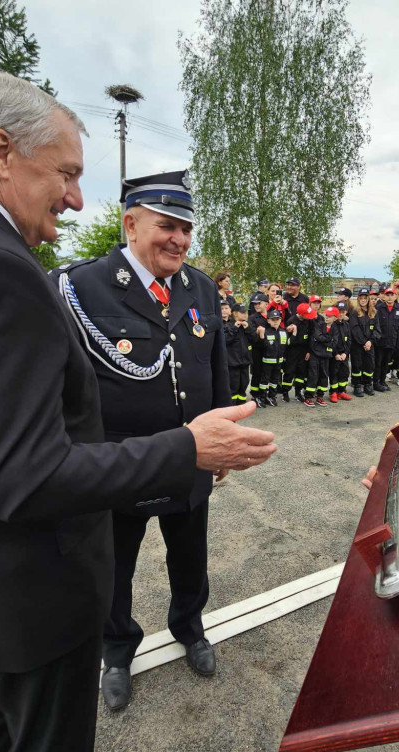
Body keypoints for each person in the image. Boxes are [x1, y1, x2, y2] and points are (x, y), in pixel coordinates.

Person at [0, 73, 276, 752]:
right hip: (25, 598)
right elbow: (22, 478)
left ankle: (188, 622)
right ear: (0, 151)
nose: (76, 196)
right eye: (65, 173)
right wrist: (187, 447)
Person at [50, 167, 265, 714]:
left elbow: (214, 373)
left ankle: (189, 627)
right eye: (168, 226)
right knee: (113, 567)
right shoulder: (80, 287)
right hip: (118, 466)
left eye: (187, 229)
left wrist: (223, 440)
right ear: (130, 224)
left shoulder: (200, 288)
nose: (180, 239)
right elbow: (64, 390)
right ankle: (117, 649)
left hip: (191, 462)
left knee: (190, 556)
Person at [305, 306, 339, 407]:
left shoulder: (335, 329)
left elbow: (334, 343)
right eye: (326, 315)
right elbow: (318, 337)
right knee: (313, 375)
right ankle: (308, 397)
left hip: (326, 356)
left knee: (324, 376)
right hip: (315, 355)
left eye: (330, 316)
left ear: (335, 318)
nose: (327, 317)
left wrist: (324, 340)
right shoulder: (319, 325)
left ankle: (320, 396)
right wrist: (329, 339)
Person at [375, 286, 399, 389]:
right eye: (387, 295)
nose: (389, 297)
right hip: (380, 342)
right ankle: (376, 382)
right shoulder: (379, 308)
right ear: (384, 297)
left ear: (395, 297)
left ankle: (382, 381)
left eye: (391, 295)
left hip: (392, 342)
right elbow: (376, 325)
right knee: (378, 362)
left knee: (386, 363)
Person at [348, 288, 379, 397]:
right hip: (357, 345)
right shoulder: (354, 313)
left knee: (369, 365)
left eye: (365, 298)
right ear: (358, 299)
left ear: (368, 299)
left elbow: (377, 330)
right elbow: (355, 330)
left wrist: (370, 341)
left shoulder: (374, 313)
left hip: (370, 345)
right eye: (361, 298)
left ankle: (367, 384)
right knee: (357, 365)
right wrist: (364, 342)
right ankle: (357, 385)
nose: (363, 300)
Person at [257, 308, 288, 406]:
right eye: (273, 319)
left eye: (277, 319)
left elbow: (285, 346)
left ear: (280, 320)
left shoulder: (283, 332)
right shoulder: (266, 331)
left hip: (278, 362)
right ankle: (262, 397)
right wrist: (261, 336)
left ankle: (271, 396)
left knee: (275, 381)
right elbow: (262, 346)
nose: (275, 321)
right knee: (264, 381)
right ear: (268, 320)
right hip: (267, 362)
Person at [224, 305, 253, 403]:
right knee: (233, 385)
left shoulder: (248, 325)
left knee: (244, 384)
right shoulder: (228, 326)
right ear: (235, 313)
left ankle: (241, 403)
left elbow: (255, 340)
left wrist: (248, 329)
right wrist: (234, 328)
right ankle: (231, 405)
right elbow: (225, 341)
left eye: (246, 312)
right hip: (233, 363)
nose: (245, 314)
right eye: (243, 312)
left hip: (245, 362)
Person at [329, 301, 352, 402]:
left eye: (343, 312)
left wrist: (345, 353)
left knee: (344, 373)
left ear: (346, 312)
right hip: (335, 356)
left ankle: (341, 391)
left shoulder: (346, 325)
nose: (341, 314)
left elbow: (349, 341)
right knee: (334, 373)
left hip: (344, 355)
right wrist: (336, 354)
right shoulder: (332, 325)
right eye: (339, 312)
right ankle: (333, 392)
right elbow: (330, 341)